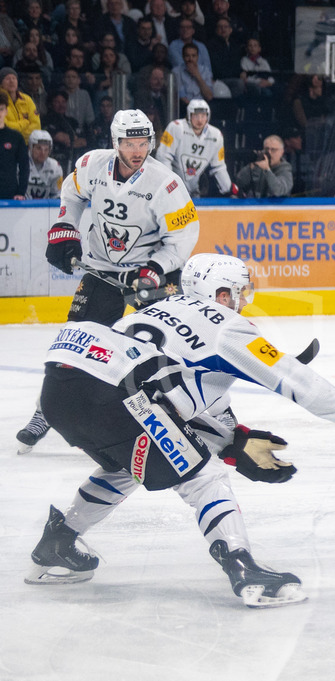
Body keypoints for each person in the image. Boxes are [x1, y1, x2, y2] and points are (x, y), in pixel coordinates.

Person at [24, 252, 335, 608]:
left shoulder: (159, 309)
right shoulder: (225, 325)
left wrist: (233, 440)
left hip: (61, 387)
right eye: (240, 292)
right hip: (119, 395)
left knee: (131, 462)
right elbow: (290, 378)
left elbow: (174, 402)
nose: (243, 301)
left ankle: (58, 542)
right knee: (204, 477)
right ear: (221, 294)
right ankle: (242, 567)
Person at [16, 109, 200, 455]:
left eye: (143, 142)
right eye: (129, 142)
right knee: (71, 345)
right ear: (115, 142)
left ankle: (192, 413)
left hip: (149, 272)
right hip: (102, 268)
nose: (137, 150)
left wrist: (154, 269)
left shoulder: (167, 184)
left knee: (170, 345)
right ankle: (46, 412)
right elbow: (70, 194)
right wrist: (64, 229)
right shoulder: (91, 165)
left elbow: (183, 239)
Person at [156, 98, 236, 197]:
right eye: (196, 116)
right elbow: (163, 157)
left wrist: (228, 189)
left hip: (194, 191)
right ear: (189, 115)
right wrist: (170, 185)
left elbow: (219, 167)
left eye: (203, 116)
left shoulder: (216, 135)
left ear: (208, 116)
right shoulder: (175, 127)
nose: (200, 120)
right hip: (170, 190)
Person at [1, 66, 41, 144]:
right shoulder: (0, 101)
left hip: (26, 144)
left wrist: (18, 134)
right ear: (1, 83)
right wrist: (25, 123)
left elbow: (36, 126)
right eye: (8, 79)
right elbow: (4, 126)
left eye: (14, 78)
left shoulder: (27, 99)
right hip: (5, 144)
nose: (11, 81)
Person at [0, 97, 28, 199]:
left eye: (1, 109)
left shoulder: (15, 137)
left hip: (9, 192)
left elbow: (24, 166)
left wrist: (21, 192)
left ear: (6, 111)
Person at [25, 129, 62, 199]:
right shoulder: (19, 164)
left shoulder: (55, 167)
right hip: (21, 207)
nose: (43, 153)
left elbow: (57, 194)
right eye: (39, 148)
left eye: (46, 149)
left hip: (45, 208)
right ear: (30, 148)